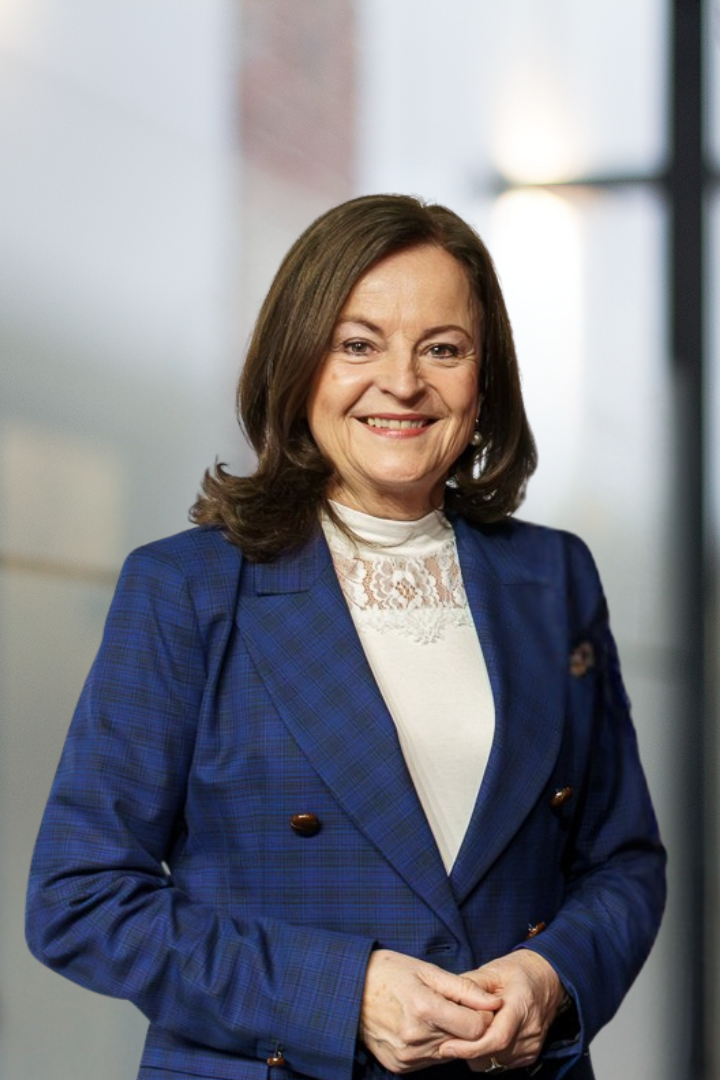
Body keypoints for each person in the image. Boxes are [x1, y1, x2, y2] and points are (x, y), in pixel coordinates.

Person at [26, 194, 666, 1080]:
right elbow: (79, 898)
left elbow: (623, 862)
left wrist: (551, 976)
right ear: (297, 366)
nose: (402, 384)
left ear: (484, 378)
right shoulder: (186, 589)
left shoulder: (556, 577)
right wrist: (342, 992)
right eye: (357, 345)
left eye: (443, 348)